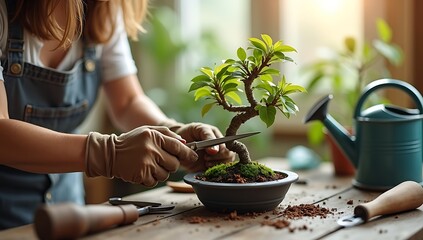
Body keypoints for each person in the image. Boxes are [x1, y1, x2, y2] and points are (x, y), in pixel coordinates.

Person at [0, 0, 234, 229]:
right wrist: (107, 153)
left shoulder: (102, 11)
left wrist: (173, 132)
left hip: (66, 210)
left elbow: (127, 102)